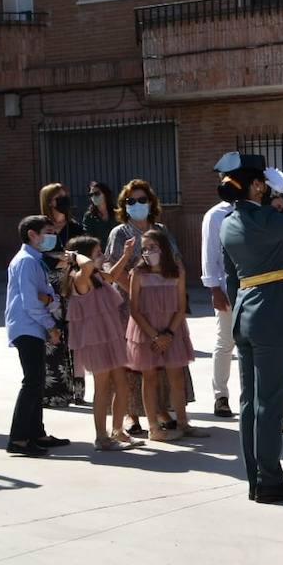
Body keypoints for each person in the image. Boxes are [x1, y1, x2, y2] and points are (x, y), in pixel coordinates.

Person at [217, 152, 283, 503]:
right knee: (272, 401)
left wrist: (239, 317)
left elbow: (232, 279)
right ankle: (271, 480)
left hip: (247, 313)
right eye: (263, 181)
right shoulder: (262, 218)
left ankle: (256, 479)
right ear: (257, 184)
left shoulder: (228, 223)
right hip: (272, 312)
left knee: (250, 402)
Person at [105, 179, 189, 434]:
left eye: (142, 200)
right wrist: (135, 289)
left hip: (165, 304)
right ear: (124, 205)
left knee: (168, 361)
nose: (137, 205)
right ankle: (132, 415)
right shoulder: (120, 233)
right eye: (131, 201)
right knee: (135, 364)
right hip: (130, 305)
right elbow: (110, 267)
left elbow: (175, 261)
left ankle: (162, 410)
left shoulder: (161, 229)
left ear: (151, 202)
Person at [63, 235, 142, 451]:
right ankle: (101, 437)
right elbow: (87, 266)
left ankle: (118, 430)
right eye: (98, 253)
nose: (102, 256)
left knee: (122, 384)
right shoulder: (79, 276)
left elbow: (114, 276)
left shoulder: (96, 275)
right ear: (85, 256)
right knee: (103, 388)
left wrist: (126, 255)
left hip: (111, 335)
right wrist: (75, 255)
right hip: (95, 340)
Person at [126, 230, 203, 442]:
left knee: (176, 377)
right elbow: (134, 309)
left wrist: (168, 333)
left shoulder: (177, 271)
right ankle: (153, 428)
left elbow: (180, 306)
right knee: (149, 378)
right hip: (145, 332)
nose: (148, 252)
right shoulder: (138, 274)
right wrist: (155, 336)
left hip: (173, 329)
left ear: (164, 248)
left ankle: (183, 423)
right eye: (144, 248)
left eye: (152, 247)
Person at [5, 216, 71, 456]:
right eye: (48, 231)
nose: (52, 236)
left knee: (37, 381)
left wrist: (49, 301)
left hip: (32, 326)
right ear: (32, 234)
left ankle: (36, 433)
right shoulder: (26, 262)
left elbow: (47, 296)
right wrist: (50, 325)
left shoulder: (35, 260)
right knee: (32, 381)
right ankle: (19, 439)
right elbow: (32, 301)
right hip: (27, 326)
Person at [39, 183, 86, 407]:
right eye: (59, 197)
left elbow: (83, 254)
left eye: (65, 196)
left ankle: (78, 391)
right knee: (53, 338)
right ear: (49, 201)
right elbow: (38, 257)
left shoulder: (76, 227)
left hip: (73, 288)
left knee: (76, 339)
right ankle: (55, 392)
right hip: (48, 290)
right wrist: (63, 259)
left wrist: (64, 259)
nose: (64, 200)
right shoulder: (40, 227)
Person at [200, 194, 237, 419]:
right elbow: (209, 254)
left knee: (255, 345)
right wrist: (214, 288)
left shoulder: (258, 209)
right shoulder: (216, 215)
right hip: (226, 289)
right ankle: (221, 395)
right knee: (225, 342)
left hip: (256, 288)